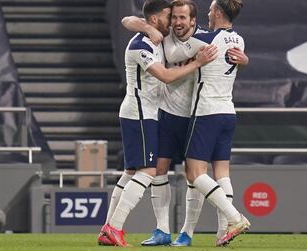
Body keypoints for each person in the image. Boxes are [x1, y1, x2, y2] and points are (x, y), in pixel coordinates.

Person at [121, 0, 249, 247]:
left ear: (194, 21)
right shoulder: (166, 35)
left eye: (183, 18)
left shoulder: (202, 40)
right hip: (168, 114)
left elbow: (177, 60)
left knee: (194, 176)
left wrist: (242, 61)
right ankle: (163, 230)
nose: (178, 22)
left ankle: (190, 232)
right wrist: (148, 28)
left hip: (196, 115)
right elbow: (127, 21)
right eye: (175, 17)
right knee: (160, 169)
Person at [97, 0, 217, 247]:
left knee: (130, 173)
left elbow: (129, 20)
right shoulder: (141, 45)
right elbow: (166, 76)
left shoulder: (158, 36)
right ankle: (114, 227)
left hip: (149, 113)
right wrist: (197, 63)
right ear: (155, 20)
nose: (172, 21)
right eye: (168, 17)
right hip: (140, 114)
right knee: (148, 171)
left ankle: (107, 229)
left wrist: (145, 25)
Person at [166, 0, 251, 247]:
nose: (208, 12)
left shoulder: (204, 38)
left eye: (211, 9)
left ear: (218, 12)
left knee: (193, 173)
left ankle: (235, 218)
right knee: (221, 173)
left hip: (206, 113)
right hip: (228, 113)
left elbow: (173, 54)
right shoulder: (239, 40)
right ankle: (221, 232)